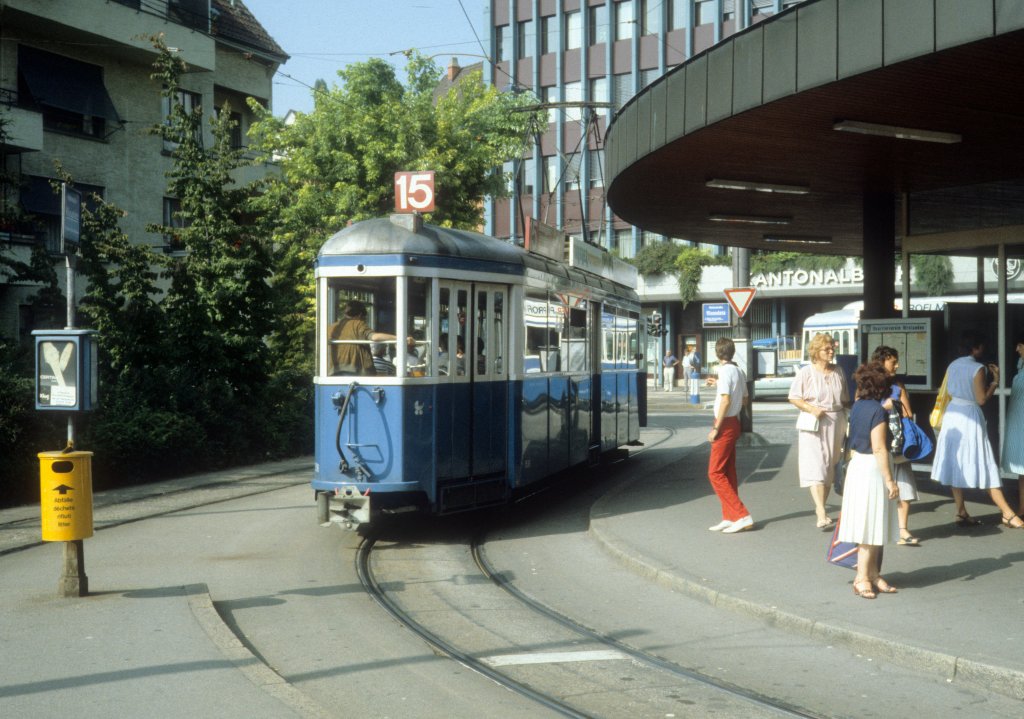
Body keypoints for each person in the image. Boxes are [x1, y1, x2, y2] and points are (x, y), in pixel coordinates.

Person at [930, 331, 1023, 528]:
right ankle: (1007, 512)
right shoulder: (977, 368)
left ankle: (961, 510)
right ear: (975, 348)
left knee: (956, 461)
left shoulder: (953, 365)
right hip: (969, 416)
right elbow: (981, 399)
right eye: (981, 346)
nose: (983, 349)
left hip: (953, 413)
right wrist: (995, 382)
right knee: (983, 461)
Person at [838, 362, 900, 599]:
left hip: (858, 466)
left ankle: (872, 574)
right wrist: (890, 480)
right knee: (870, 526)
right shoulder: (878, 411)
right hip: (872, 470)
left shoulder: (859, 406)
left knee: (871, 525)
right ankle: (862, 577)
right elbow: (879, 448)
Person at [788, 332, 851, 528]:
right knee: (817, 466)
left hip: (836, 421)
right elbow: (794, 397)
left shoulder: (838, 370)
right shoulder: (806, 372)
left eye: (833, 348)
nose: (831, 351)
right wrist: (812, 409)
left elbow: (845, 399)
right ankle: (821, 511)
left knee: (830, 466)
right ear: (816, 351)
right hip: (814, 422)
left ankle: (821, 506)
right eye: (827, 349)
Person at [871, 346, 920, 545]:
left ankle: (902, 529)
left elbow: (908, 413)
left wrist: (897, 408)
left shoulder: (898, 386)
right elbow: (862, 410)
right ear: (881, 362)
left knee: (904, 482)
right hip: (879, 442)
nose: (897, 365)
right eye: (893, 361)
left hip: (898, 442)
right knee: (878, 483)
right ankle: (878, 529)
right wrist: (885, 408)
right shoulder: (870, 385)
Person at [706, 338, 754, 534]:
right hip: (734, 422)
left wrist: (716, 427)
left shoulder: (724, 371)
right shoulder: (738, 371)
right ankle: (730, 516)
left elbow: (725, 400)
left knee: (715, 473)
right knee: (727, 470)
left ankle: (742, 515)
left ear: (717, 354)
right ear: (732, 352)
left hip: (724, 424)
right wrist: (719, 384)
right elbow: (744, 399)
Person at [329, 300, 395, 376]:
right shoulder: (358, 324)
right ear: (360, 315)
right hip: (355, 371)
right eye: (365, 318)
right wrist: (400, 338)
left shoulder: (332, 327)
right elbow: (374, 337)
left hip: (333, 372)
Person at [1001, 334, 1024, 517]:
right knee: (1022, 472)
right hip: (1019, 425)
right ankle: (1023, 508)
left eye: (1020, 345)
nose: (1017, 349)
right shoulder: (1020, 370)